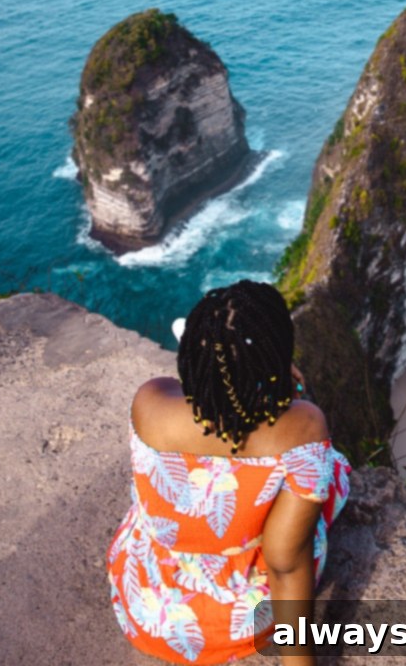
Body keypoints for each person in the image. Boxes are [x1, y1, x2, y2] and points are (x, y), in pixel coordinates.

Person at [107, 280, 350, 664]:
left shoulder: (150, 401)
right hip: (245, 625)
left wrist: (235, 380)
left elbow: (192, 394)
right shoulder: (302, 427)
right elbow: (286, 563)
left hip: (149, 612)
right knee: (326, 469)